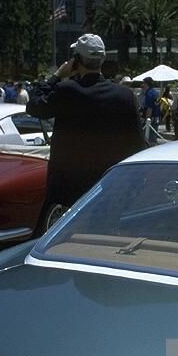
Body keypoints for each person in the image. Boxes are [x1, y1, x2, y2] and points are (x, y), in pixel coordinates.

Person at [26, 33, 145, 229]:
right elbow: (137, 142)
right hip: (109, 185)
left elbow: (34, 106)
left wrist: (56, 76)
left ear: (77, 61)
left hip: (68, 187)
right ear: (103, 59)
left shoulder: (67, 90)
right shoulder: (125, 96)